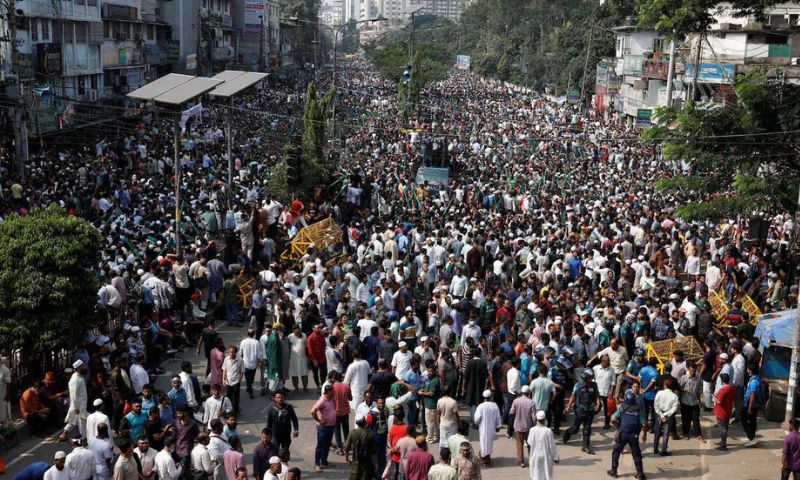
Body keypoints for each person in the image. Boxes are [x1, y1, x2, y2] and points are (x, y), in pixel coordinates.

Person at [608, 389, 647, 480]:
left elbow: (613, 419)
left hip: (623, 434)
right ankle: (640, 473)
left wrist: (618, 427)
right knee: (636, 454)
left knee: (616, 451)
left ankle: (614, 471)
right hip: (634, 435)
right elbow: (644, 424)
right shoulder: (638, 409)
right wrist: (644, 434)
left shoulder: (622, 407)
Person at [563, 368, 601, 454]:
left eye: (591, 378)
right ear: (584, 377)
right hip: (580, 409)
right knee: (575, 429)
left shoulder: (594, 385)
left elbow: (597, 396)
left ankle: (586, 446)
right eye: (589, 378)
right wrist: (568, 407)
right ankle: (567, 433)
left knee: (587, 429)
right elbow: (573, 396)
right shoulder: (578, 385)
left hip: (590, 409)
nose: (590, 379)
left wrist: (598, 404)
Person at [311, 384, 337, 473]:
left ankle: (324, 461)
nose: (333, 392)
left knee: (327, 444)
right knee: (320, 445)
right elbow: (312, 411)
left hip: (331, 425)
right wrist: (319, 420)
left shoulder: (332, 398)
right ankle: (317, 464)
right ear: (327, 392)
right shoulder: (322, 400)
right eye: (332, 391)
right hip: (323, 427)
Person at [61, 360, 88, 441]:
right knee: (82, 421)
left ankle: (64, 434)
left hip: (81, 404)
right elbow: (73, 395)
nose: (85, 367)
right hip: (79, 405)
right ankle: (83, 439)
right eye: (83, 366)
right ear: (78, 368)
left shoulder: (79, 376)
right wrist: (76, 407)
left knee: (74, 420)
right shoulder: (75, 380)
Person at [510, 384, 536, 467]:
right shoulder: (531, 402)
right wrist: (535, 425)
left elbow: (511, 412)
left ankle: (521, 462)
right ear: (528, 392)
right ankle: (531, 460)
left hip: (518, 426)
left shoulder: (516, 401)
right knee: (530, 444)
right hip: (528, 426)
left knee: (519, 444)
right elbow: (534, 416)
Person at [528, 410, 559, 480]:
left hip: (535, 456)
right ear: (545, 419)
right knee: (546, 475)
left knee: (536, 475)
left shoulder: (532, 430)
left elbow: (529, 443)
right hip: (546, 457)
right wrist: (556, 457)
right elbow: (552, 446)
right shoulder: (548, 431)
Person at [652, 376, 679, 456]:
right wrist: (666, 415)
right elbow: (674, 408)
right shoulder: (674, 396)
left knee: (657, 432)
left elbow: (655, 405)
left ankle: (655, 449)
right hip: (668, 416)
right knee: (666, 434)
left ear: (665, 385)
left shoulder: (659, 393)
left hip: (659, 415)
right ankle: (663, 451)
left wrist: (661, 414)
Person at [473, 389, 501, 465]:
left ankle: (484, 459)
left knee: (483, 443)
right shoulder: (494, 405)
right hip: (491, 429)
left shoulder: (481, 406)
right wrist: (498, 426)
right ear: (491, 397)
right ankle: (487, 458)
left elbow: (477, 418)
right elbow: (498, 417)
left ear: (483, 397)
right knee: (489, 443)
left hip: (483, 428)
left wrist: (476, 423)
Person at [678, 361, 703, 441]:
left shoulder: (698, 378)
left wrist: (700, 401)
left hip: (695, 402)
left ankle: (698, 434)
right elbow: (679, 388)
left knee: (696, 419)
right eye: (691, 371)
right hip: (685, 402)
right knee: (686, 419)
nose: (693, 372)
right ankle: (685, 433)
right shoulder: (684, 378)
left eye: (694, 371)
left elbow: (699, 390)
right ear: (688, 369)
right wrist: (684, 389)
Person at [742, 363, 763, 447]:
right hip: (752, 404)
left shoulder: (754, 381)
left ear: (750, 370)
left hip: (750, 405)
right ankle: (751, 437)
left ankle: (751, 438)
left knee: (744, 420)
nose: (747, 371)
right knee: (752, 421)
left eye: (747, 369)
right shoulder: (755, 379)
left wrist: (749, 408)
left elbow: (752, 395)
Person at [714, 373, 735, 451]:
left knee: (722, 428)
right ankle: (723, 442)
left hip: (721, 412)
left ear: (722, 381)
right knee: (725, 427)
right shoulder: (732, 388)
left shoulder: (723, 390)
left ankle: (723, 444)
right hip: (728, 410)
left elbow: (719, 401)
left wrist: (714, 397)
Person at [222, 346, 245, 414]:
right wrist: (223, 379)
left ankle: (235, 412)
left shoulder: (240, 360)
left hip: (236, 383)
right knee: (228, 398)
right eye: (230, 352)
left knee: (235, 399)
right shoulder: (226, 359)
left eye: (233, 352)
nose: (231, 354)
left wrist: (239, 381)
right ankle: (229, 412)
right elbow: (224, 370)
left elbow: (242, 372)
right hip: (228, 382)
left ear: (236, 352)